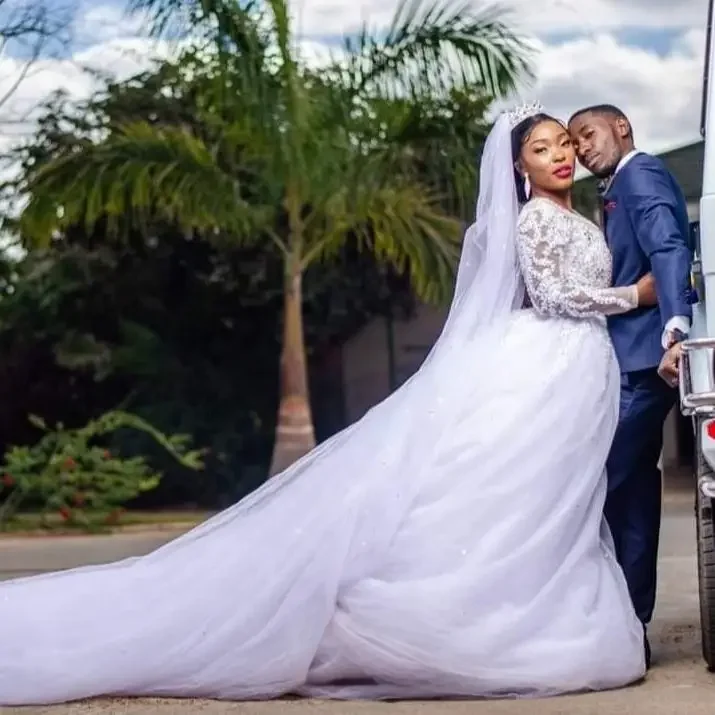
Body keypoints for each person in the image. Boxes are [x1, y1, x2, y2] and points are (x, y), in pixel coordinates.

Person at [0, 104, 651, 705]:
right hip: (543, 359)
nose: (559, 156)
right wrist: (637, 295)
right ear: (519, 166)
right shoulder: (534, 218)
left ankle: (533, 601)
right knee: (506, 492)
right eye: (541, 149)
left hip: (572, 368)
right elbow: (552, 297)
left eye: (564, 143)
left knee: (542, 499)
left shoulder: (578, 213)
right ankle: (409, 616)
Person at [568, 105, 693, 667]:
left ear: (622, 126)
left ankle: (607, 622)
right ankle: (630, 626)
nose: (582, 148)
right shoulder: (618, 185)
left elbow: (670, 245)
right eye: (575, 141)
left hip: (647, 361)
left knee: (596, 488)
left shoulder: (640, 172)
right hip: (632, 358)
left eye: (588, 134)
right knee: (634, 492)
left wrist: (675, 326)